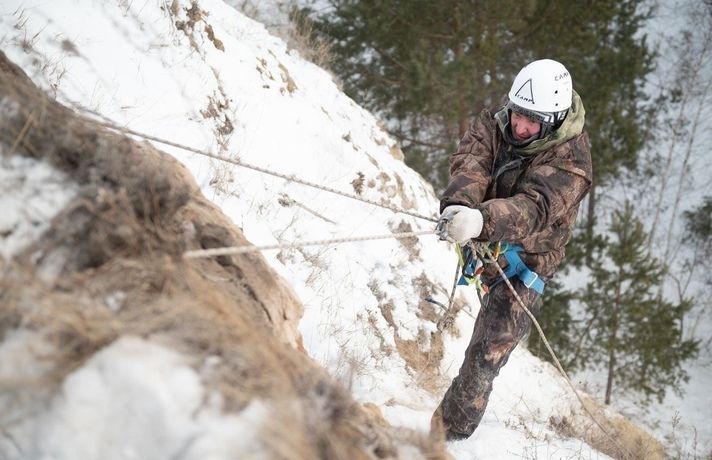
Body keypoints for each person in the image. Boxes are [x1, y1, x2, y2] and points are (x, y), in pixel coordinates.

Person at [431, 59, 592, 440]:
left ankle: (446, 438)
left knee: (488, 353)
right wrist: (460, 205)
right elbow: (471, 161)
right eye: (518, 114)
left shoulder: (572, 163)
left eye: (531, 122)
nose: (519, 126)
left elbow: (534, 209)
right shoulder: (496, 123)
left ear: (551, 122)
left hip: (526, 263)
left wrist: (481, 221)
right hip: (482, 235)